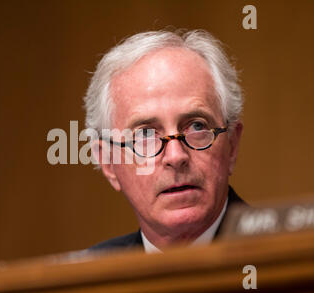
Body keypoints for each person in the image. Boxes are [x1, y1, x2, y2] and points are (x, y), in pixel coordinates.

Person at [83, 29, 246, 253]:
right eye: (146, 134)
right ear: (109, 163)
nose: (176, 156)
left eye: (197, 126)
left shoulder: (289, 260)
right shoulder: (85, 281)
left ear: (232, 145)